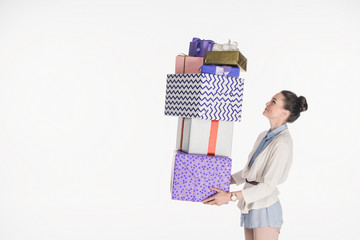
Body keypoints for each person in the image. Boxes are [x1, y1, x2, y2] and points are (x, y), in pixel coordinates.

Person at [202, 90, 308, 240]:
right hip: (250, 205)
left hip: (265, 208)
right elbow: (248, 172)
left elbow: (268, 186)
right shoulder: (264, 136)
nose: (267, 103)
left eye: (273, 102)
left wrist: (230, 197)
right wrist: (217, 180)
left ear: (284, 113)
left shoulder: (282, 143)